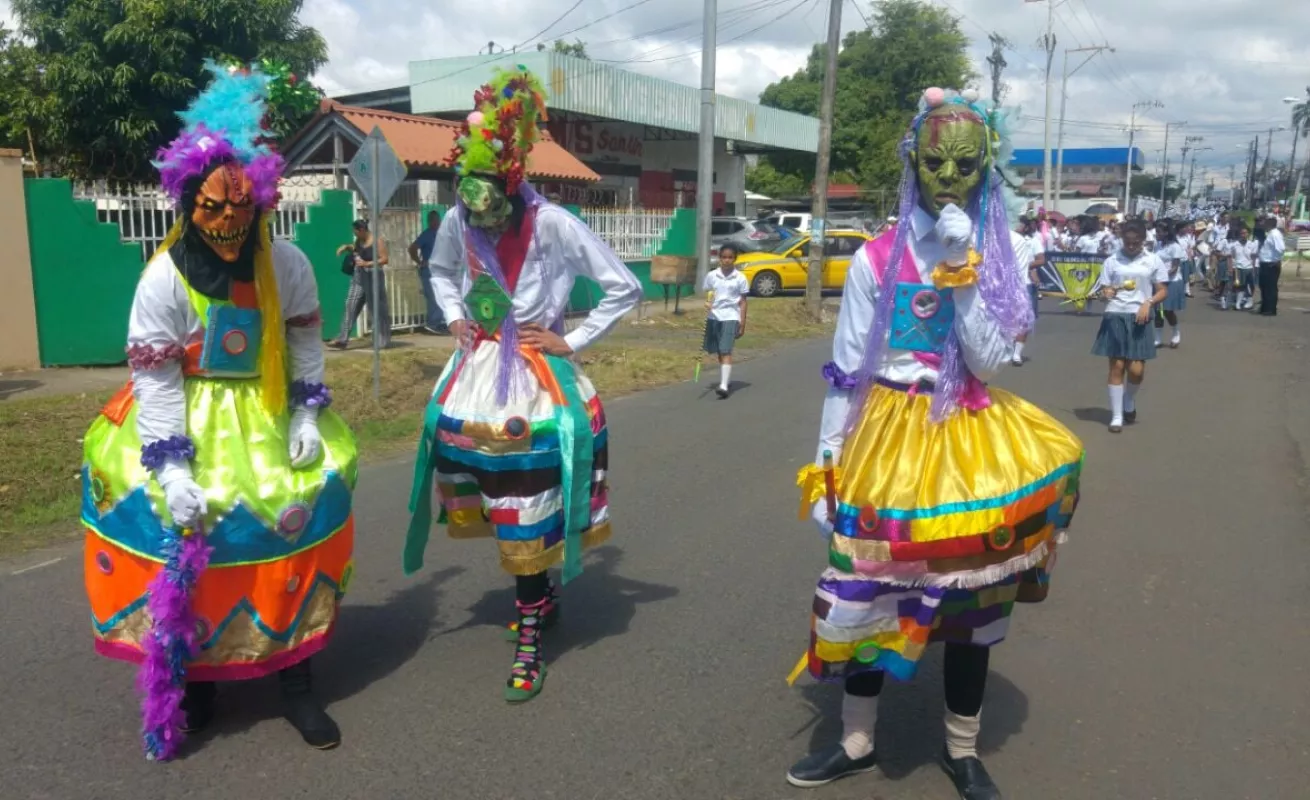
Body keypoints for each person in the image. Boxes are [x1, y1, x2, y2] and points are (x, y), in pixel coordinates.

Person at [785, 88, 1083, 800]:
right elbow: (848, 367)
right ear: (913, 159)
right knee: (865, 588)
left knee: (971, 602)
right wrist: (828, 462)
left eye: (966, 163)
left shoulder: (1007, 250)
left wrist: (963, 270)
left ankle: (962, 748)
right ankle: (856, 740)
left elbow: (985, 360)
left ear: (986, 168)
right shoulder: (875, 256)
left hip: (967, 435)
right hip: (884, 435)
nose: (949, 176)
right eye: (935, 161)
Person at [81, 61, 358, 760]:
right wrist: (171, 467)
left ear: (263, 203)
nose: (229, 221)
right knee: (191, 535)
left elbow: (304, 345)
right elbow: (157, 381)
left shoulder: (287, 263)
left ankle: (295, 678)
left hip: (268, 412)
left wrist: (304, 417)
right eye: (213, 207)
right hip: (192, 417)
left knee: (291, 512)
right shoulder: (163, 278)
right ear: (186, 202)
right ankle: (199, 680)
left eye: (243, 208)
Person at [403, 67, 643, 704]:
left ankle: (530, 633)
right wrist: (454, 313)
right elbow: (444, 268)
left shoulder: (557, 223)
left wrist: (575, 338)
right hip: (477, 371)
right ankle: (538, 589)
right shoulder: (459, 216)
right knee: (490, 489)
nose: (476, 214)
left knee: (530, 498)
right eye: (467, 198)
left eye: (487, 201)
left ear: (511, 183)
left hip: (537, 377)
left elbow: (624, 286)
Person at [1092, 219, 1170, 432]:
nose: (1132, 246)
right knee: (1116, 365)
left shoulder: (1153, 260)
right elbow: (1103, 291)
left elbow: (1163, 290)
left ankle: (1129, 399)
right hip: (1115, 314)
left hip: (1140, 316)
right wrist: (1106, 292)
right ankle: (1116, 416)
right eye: (1128, 242)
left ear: (1143, 240)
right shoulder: (1112, 261)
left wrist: (1149, 302)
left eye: (1136, 242)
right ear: (1122, 240)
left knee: (1136, 370)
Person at [329, 219, 391, 349]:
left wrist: (367, 263)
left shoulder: (377, 241)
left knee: (376, 309)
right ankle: (342, 339)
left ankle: (381, 340)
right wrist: (346, 247)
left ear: (362, 230)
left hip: (373, 275)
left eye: (356, 232)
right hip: (359, 276)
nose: (355, 234)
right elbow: (356, 249)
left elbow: (385, 259)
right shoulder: (359, 241)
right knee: (350, 305)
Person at [702, 243, 749, 397]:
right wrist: (708, 303)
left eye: (730, 257)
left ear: (735, 259)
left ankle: (723, 386)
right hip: (714, 316)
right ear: (719, 258)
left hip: (731, 316)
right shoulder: (712, 276)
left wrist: (742, 323)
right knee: (718, 350)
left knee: (725, 349)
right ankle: (725, 379)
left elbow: (742, 302)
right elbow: (709, 293)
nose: (727, 260)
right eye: (724, 257)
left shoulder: (740, 278)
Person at [1011, 215, 1044, 366]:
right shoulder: (1003, 239)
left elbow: (1041, 259)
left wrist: (1026, 266)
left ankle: (1017, 354)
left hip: (1025, 284)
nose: (1015, 225)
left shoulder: (1033, 241)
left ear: (1025, 227)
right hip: (1006, 285)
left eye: (1018, 223)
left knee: (1023, 321)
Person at [409, 210, 447, 334]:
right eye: (434, 220)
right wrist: (419, 262)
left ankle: (440, 322)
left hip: (440, 270)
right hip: (429, 271)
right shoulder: (427, 234)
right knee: (433, 297)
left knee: (441, 296)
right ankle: (433, 324)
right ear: (431, 221)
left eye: (438, 220)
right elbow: (412, 248)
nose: (437, 222)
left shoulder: (442, 234)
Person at [1151, 219, 1186, 348]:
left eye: (1159, 232)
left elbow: (1174, 267)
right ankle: (1158, 338)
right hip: (1157, 281)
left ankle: (1176, 333)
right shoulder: (1157, 245)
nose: (1156, 234)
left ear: (1166, 232)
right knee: (1157, 311)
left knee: (1167, 311)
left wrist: (1163, 278)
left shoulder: (1175, 247)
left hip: (1171, 281)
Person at [1257, 215, 1284, 316]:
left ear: (1270, 224)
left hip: (1271, 265)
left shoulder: (1275, 234)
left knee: (1270, 287)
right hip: (1265, 264)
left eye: (1266, 222)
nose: (1264, 224)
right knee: (1264, 286)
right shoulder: (1270, 233)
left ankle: (1271, 309)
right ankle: (1265, 307)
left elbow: (1280, 248)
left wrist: (1276, 260)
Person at [1228, 225, 1258, 310]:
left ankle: (1250, 301)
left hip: (1249, 267)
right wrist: (1231, 267)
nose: (1243, 235)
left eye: (1245, 233)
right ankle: (1238, 303)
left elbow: (1253, 257)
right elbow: (1231, 256)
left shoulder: (1251, 244)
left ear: (1248, 234)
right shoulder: (1235, 245)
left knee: (1251, 285)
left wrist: (1254, 268)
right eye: (1242, 233)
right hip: (1239, 267)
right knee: (1240, 286)